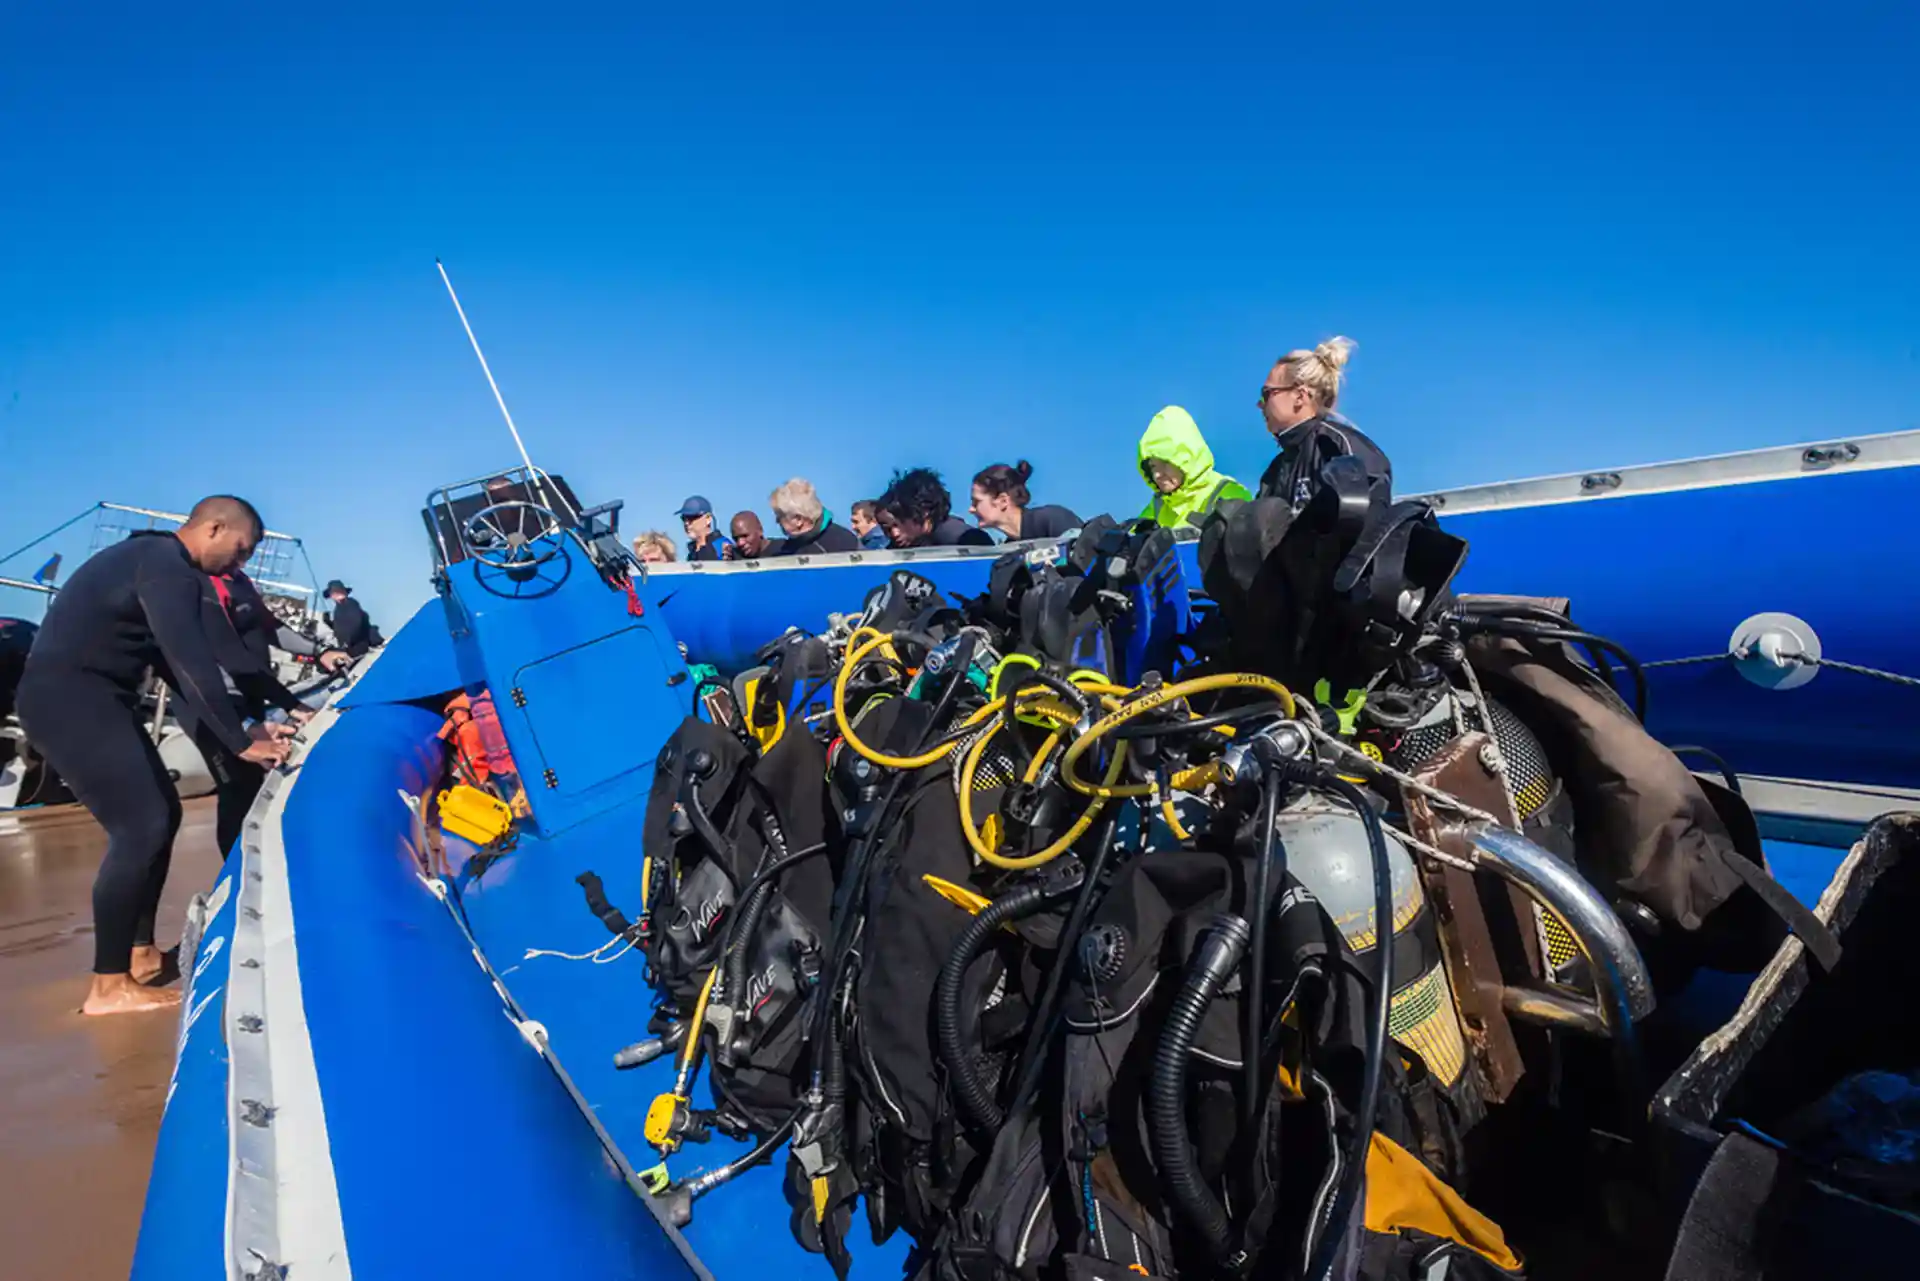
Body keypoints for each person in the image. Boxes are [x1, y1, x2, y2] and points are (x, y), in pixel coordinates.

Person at [15, 496, 290, 1016]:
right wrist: (241, 742)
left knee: (163, 813)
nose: (241, 563)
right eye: (241, 549)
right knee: (139, 826)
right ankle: (108, 987)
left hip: (87, 697)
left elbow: (171, 668)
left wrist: (250, 726)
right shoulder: (168, 569)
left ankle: (139, 956)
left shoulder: (149, 563)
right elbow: (191, 663)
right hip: (70, 698)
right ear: (213, 528)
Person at [196, 571, 351, 857]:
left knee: (253, 788)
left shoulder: (239, 582)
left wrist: (320, 651)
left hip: (253, 693)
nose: (245, 552)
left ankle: (254, 864)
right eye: (243, 545)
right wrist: (243, 724)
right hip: (219, 702)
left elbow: (270, 628)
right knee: (235, 790)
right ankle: (232, 877)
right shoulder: (199, 584)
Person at [1255, 336, 1391, 507]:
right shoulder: (1274, 471)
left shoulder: (1338, 446)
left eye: (1267, 393)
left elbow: (1369, 521)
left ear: (1299, 396)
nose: (1260, 404)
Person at [1136, 406, 1253, 529]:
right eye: (1153, 466)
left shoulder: (1229, 493)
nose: (1157, 474)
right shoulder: (1158, 505)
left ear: (1186, 459)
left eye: (1165, 463)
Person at [876, 468, 994, 548]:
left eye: (902, 520)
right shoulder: (906, 544)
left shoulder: (965, 540)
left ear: (924, 512)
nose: (895, 533)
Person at [969, 461, 1081, 541]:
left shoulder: (1053, 519)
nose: (971, 510)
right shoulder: (1009, 553)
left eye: (976, 502)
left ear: (1003, 501)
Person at [768, 478, 861, 554]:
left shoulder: (842, 543)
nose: (777, 521)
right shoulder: (789, 547)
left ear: (798, 519)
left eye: (780, 516)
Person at [324, 580, 378, 656]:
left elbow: (356, 624)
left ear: (344, 592)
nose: (337, 594)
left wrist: (348, 642)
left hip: (360, 645)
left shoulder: (352, 603)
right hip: (349, 649)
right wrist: (329, 622)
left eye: (339, 591)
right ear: (331, 596)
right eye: (334, 593)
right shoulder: (337, 611)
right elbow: (340, 629)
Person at [676, 495, 732, 562]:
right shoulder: (692, 551)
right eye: (684, 518)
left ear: (708, 518)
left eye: (692, 517)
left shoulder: (722, 546)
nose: (686, 523)